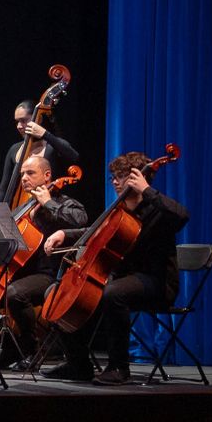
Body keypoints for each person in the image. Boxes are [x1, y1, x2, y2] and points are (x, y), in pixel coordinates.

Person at [39, 151, 189, 385]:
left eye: (121, 176)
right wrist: (63, 233)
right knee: (56, 294)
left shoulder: (157, 210)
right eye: (113, 177)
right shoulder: (119, 211)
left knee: (113, 293)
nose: (115, 182)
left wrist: (147, 190)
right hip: (122, 279)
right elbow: (94, 231)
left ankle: (119, 367)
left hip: (156, 282)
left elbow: (182, 215)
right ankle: (78, 364)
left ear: (138, 178)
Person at [0, 155, 88, 368]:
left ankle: (31, 348)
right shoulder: (25, 207)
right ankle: (11, 350)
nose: (24, 178)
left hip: (51, 274)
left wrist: (48, 203)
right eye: (22, 174)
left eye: (30, 173)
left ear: (47, 176)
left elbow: (82, 221)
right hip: (23, 272)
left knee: (14, 293)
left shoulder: (62, 202)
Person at [0, 100, 79, 203]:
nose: (19, 126)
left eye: (23, 120)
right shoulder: (14, 149)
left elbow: (74, 156)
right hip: (19, 210)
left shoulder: (52, 146)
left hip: (49, 207)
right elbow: (2, 189)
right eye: (17, 122)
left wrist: (45, 134)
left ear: (38, 119)